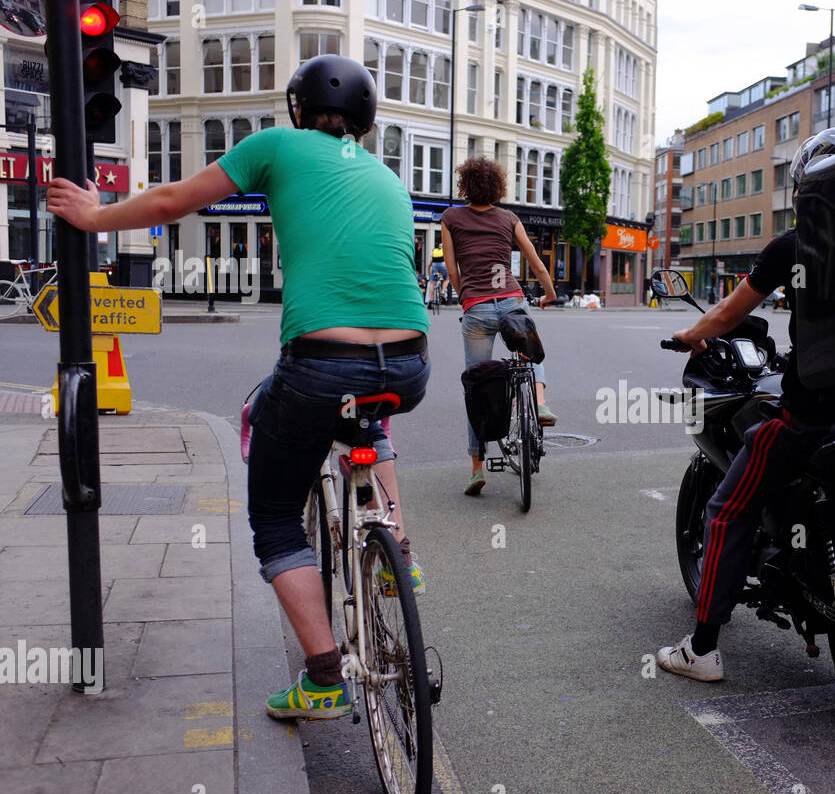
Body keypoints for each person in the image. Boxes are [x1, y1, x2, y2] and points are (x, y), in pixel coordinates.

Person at [50, 54, 431, 718]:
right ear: (364, 121)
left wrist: (92, 215)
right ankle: (399, 545)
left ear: (298, 108)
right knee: (368, 420)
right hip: (409, 361)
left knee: (276, 511)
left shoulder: (276, 146)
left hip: (320, 363)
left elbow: (172, 201)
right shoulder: (387, 177)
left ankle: (321, 681)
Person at [655, 127, 835, 682]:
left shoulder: (794, 246)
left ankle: (702, 650)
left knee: (727, 509)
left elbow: (728, 314)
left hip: (815, 414)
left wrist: (690, 334)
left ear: (804, 190)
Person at [441, 157, 559, 495]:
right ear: (498, 187)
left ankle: (477, 467)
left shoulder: (450, 218)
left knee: (477, 386)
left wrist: (466, 296)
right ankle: (539, 403)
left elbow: (452, 270)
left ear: (464, 185)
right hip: (510, 301)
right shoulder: (509, 218)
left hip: (476, 308)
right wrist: (549, 295)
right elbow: (536, 263)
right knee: (531, 351)